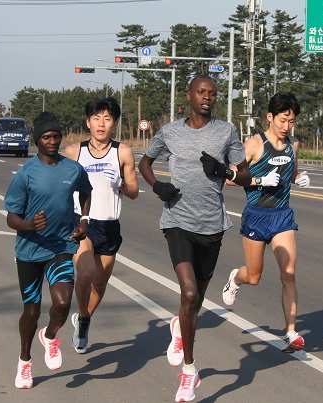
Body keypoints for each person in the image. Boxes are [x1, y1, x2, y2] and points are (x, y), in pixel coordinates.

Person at [138, 75, 251, 402]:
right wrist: (157, 186)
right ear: (189, 95)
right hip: (177, 221)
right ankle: (189, 371)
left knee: (195, 301)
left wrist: (225, 171)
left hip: (212, 226)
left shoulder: (226, 131)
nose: (207, 97)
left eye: (212, 94)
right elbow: (146, 161)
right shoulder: (171, 131)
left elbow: (245, 175)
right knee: (188, 292)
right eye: (201, 92)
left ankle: (179, 328)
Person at [4, 111, 93, 389]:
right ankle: (25, 362)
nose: (52, 141)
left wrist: (84, 220)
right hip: (30, 250)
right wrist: (29, 224)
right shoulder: (26, 173)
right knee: (31, 312)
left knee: (63, 303)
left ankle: (51, 337)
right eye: (46, 137)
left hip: (61, 246)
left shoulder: (72, 169)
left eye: (56, 136)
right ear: (37, 140)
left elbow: (86, 191)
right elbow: (11, 217)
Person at [221, 92, 310, 353]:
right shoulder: (254, 145)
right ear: (269, 117)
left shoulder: (293, 144)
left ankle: (291, 333)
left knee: (289, 273)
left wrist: (300, 177)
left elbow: (290, 174)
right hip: (256, 216)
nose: (286, 127)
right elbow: (229, 178)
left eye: (291, 122)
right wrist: (259, 181)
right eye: (282, 120)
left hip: (281, 216)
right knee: (254, 275)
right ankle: (236, 278)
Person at [63, 97, 139, 354]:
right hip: (81, 222)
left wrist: (120, 183)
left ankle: (83, 319)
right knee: (84, 274)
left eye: (107, 119)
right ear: (88, 122)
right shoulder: (74, 152)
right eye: (96, 118)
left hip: (109, 225)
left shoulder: (123, 152)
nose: (101, 124)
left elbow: (134, 191)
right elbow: (59, 185)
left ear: (114, 123)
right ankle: (83, 319)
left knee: (100, 283)